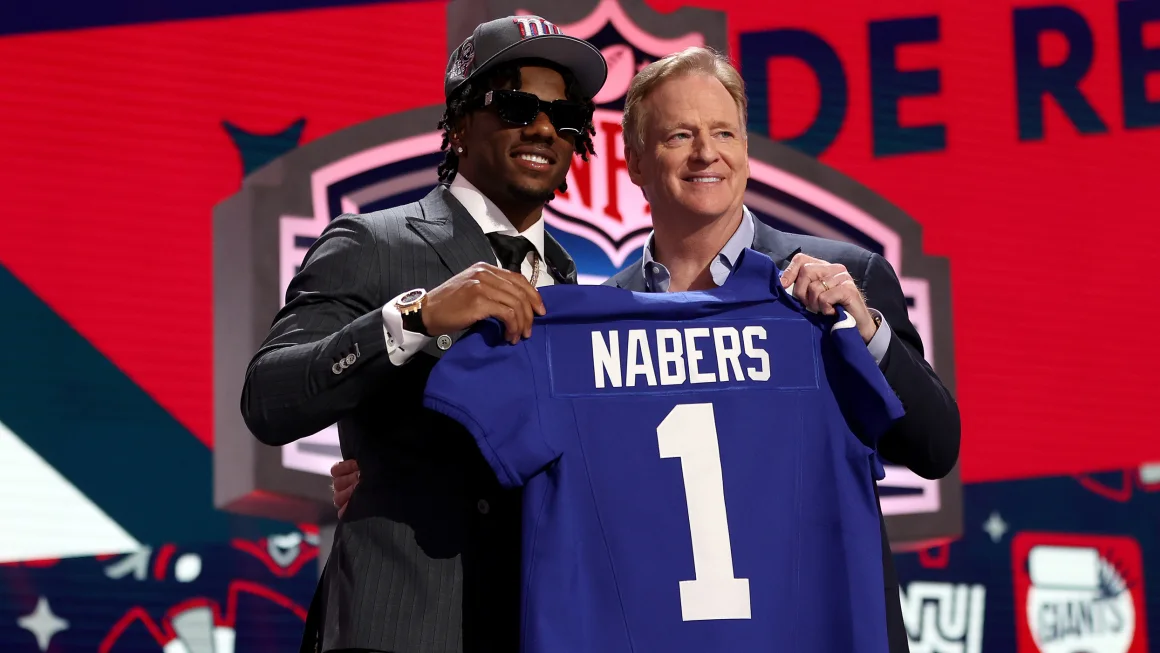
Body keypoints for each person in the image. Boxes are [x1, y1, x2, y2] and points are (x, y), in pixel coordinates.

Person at [331, 46, 960, 653]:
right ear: (632, 161)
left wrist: (865, 325)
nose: (706, 153)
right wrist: (392, 480)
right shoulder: (593, 318)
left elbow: (934, 447)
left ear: (746, 148)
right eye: (679, 136)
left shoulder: (839, 280)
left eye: (724, 133)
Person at [240, 15, 607, 653]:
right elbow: (269, 399)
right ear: (460, 124)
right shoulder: (371, 243)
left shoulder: (575, 288)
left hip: (536, 626)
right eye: (519, 105)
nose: (544, 128)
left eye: (566, 115)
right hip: (398, 625)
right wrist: (417, 317)